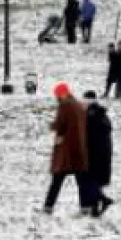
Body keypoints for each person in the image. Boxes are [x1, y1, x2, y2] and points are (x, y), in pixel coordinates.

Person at [43, 82, 91, 214]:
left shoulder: (65, 106)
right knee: (81, 181)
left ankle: (48, 206)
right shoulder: (79, 106)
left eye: (58, 95)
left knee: (57, 180)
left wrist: (52, 125)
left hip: (66, 149)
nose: (57, 98)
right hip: (79, 148)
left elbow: (60, 124)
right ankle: (85, 206)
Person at [81, 91, 114, 217]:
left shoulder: (90, 115)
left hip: (93, 152)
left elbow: (87, 135)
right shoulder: (102, 115)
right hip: (103, 152)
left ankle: (102, 200)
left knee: (88, 179)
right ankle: (95, 208)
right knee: (95, 179)